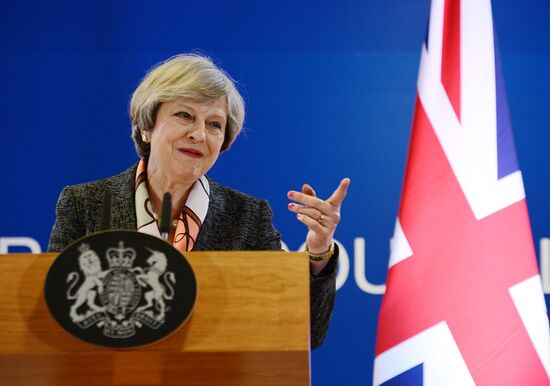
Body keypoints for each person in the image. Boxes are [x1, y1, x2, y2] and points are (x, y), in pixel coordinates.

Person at [48, 53, 350, 349]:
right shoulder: (85, 203)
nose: (199, 134)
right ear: (146, 126)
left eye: (215, 124)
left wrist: (319, 249)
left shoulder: (247, 216)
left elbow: (304, 333)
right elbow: (56, 314)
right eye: (184, 115)